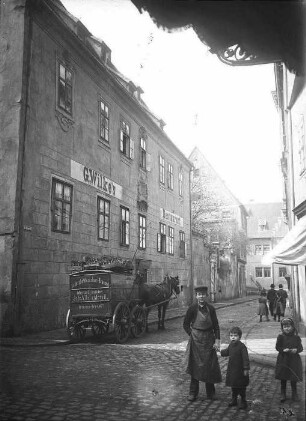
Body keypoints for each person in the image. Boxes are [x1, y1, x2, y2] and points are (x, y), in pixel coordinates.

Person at [183, 285, 222, 402]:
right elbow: (185, 325)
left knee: (209, 366)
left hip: (209, 340)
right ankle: (193, 393)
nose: (201, 297)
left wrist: (217, 341)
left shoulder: (211, 308)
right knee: (195, 366)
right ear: (196, 296)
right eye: (199, 295)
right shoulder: (192, 308)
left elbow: (216, 326)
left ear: (207, 296)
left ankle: (211, 393)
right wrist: (192, 334)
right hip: (196, 341)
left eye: (203, 295)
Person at [218, 326, 250, 410]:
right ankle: (234, 399)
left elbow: (245, 358)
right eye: (231, 335)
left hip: (240, 371)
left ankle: (243, 401)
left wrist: (246, 368)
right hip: (232, 370)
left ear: (239, 336)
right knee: (234, 386)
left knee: (241, 387)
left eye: (235, 335)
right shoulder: (231, 345)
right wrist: (220, 351)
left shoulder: (242, 347)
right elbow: (227, 351)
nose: (233, 337)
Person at [275, 317, 303, 402]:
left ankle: (294, 394)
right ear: (282, 328)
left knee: (293, 377)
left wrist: (296, 350)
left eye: (288, 326)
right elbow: (277, 347)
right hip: (283, 360)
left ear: (292, 327)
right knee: (283, 377)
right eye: (285, 327)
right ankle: (283, 394)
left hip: (293, 360)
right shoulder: (280, 337)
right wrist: (283, 350)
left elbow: (300, 348)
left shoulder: (296, 338)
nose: (287, 328)